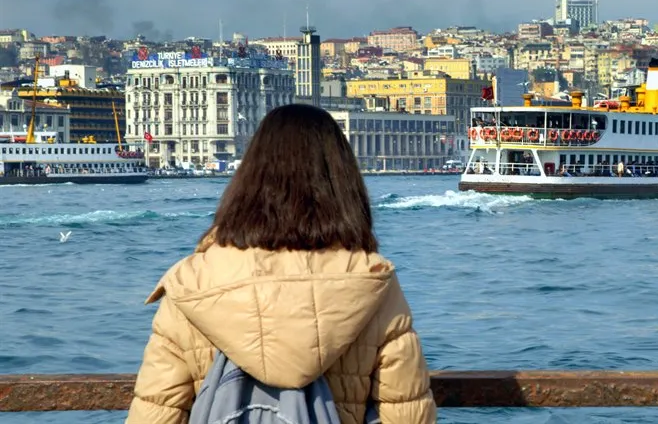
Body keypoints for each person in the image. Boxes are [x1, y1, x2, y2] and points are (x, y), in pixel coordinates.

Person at [126, 104, 436, 424]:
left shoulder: (194, 281)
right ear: (343, 181)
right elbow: (406, 413)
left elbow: (156, 411)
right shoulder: (371, 279)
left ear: (248, 179)